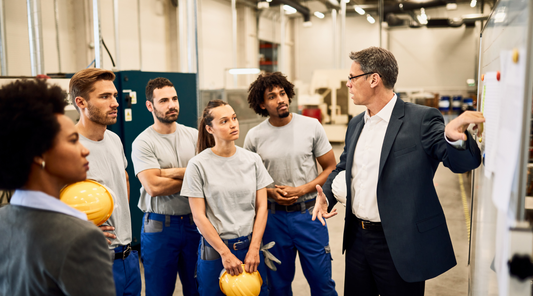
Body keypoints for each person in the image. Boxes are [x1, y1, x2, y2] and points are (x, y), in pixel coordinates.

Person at [312, 47, 485, 296]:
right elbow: (343, 167)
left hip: (400, 244)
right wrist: (326, 195)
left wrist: (454, 139)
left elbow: (461, 164)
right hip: (358, 241)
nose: (348, 85)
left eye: (352, 78)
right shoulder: (356, 124)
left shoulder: (420, 119)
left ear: (374, 79)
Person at [0, 79, 115, 295]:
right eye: (73, 140)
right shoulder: (80, 238)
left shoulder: (4, 221)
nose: (85, 150)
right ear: (39, 154)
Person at [244, 72, 338, 295]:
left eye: (283, 93)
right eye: (272, 96)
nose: (281, 100)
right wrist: (269, 193)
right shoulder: (254, 137)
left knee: (322, 283)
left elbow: (331, 167)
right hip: (272, 219)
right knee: (277, 286)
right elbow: (249, 181)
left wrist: (302, 189)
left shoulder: (311, 126)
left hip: (309, 215)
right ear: (262, 104)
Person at [180, 100, 273, 296]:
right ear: (209, 129)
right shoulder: (198, 165)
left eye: (234, 118)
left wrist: (255, 247)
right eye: (224, 121)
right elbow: (199, 217)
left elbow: (262, 207)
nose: (233, 124)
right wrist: (225, 253)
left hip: (250, 249)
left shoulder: (253, 160)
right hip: (215, 252)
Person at [70, 69, 141, 296]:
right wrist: (80, 231)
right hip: (94, 262)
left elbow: (124, 179)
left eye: (115, 96)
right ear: (81, 102)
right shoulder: (67, 147)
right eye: (105, 97)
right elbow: (46, 207)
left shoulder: (114, 139)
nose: (115, 103)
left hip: (129, 257)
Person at [131, 77, 200, 296]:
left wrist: (168, 172)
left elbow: (207, 178)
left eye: (174, 98)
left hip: (195, 223)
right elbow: (153, 187)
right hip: (159, 227)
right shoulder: (143, 142)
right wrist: (190, 174)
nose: (172, 105)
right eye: (164, 101)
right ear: (150, 106)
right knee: (158, 291)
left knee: (199, 288)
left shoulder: (195, 136)